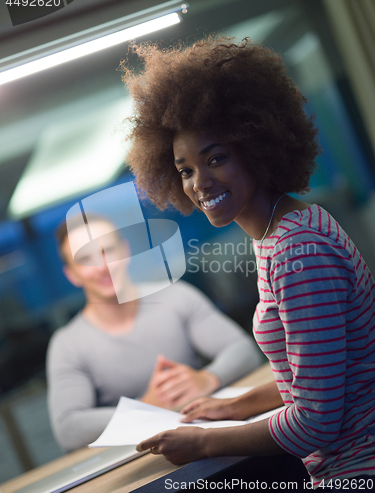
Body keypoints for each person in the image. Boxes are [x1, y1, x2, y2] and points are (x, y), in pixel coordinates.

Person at [120, 37, 375, 488]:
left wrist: (204, 443)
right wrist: (236, 406)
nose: (199, 183)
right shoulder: (279, 231)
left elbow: (317, 422)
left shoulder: (299, 252)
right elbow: (321, 368)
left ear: (256, 145)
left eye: (215, 158)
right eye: (185, 170)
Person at [46, 214, 262, 452]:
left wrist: (208, 379)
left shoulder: (176, 297)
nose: (102, 267)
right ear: (72, 274)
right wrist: (144, 408)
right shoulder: (67, 344)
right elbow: (68, 428)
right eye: (85, 259)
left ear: (125, 251)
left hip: (206, 437)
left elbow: (243, 349)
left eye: (107, 251)